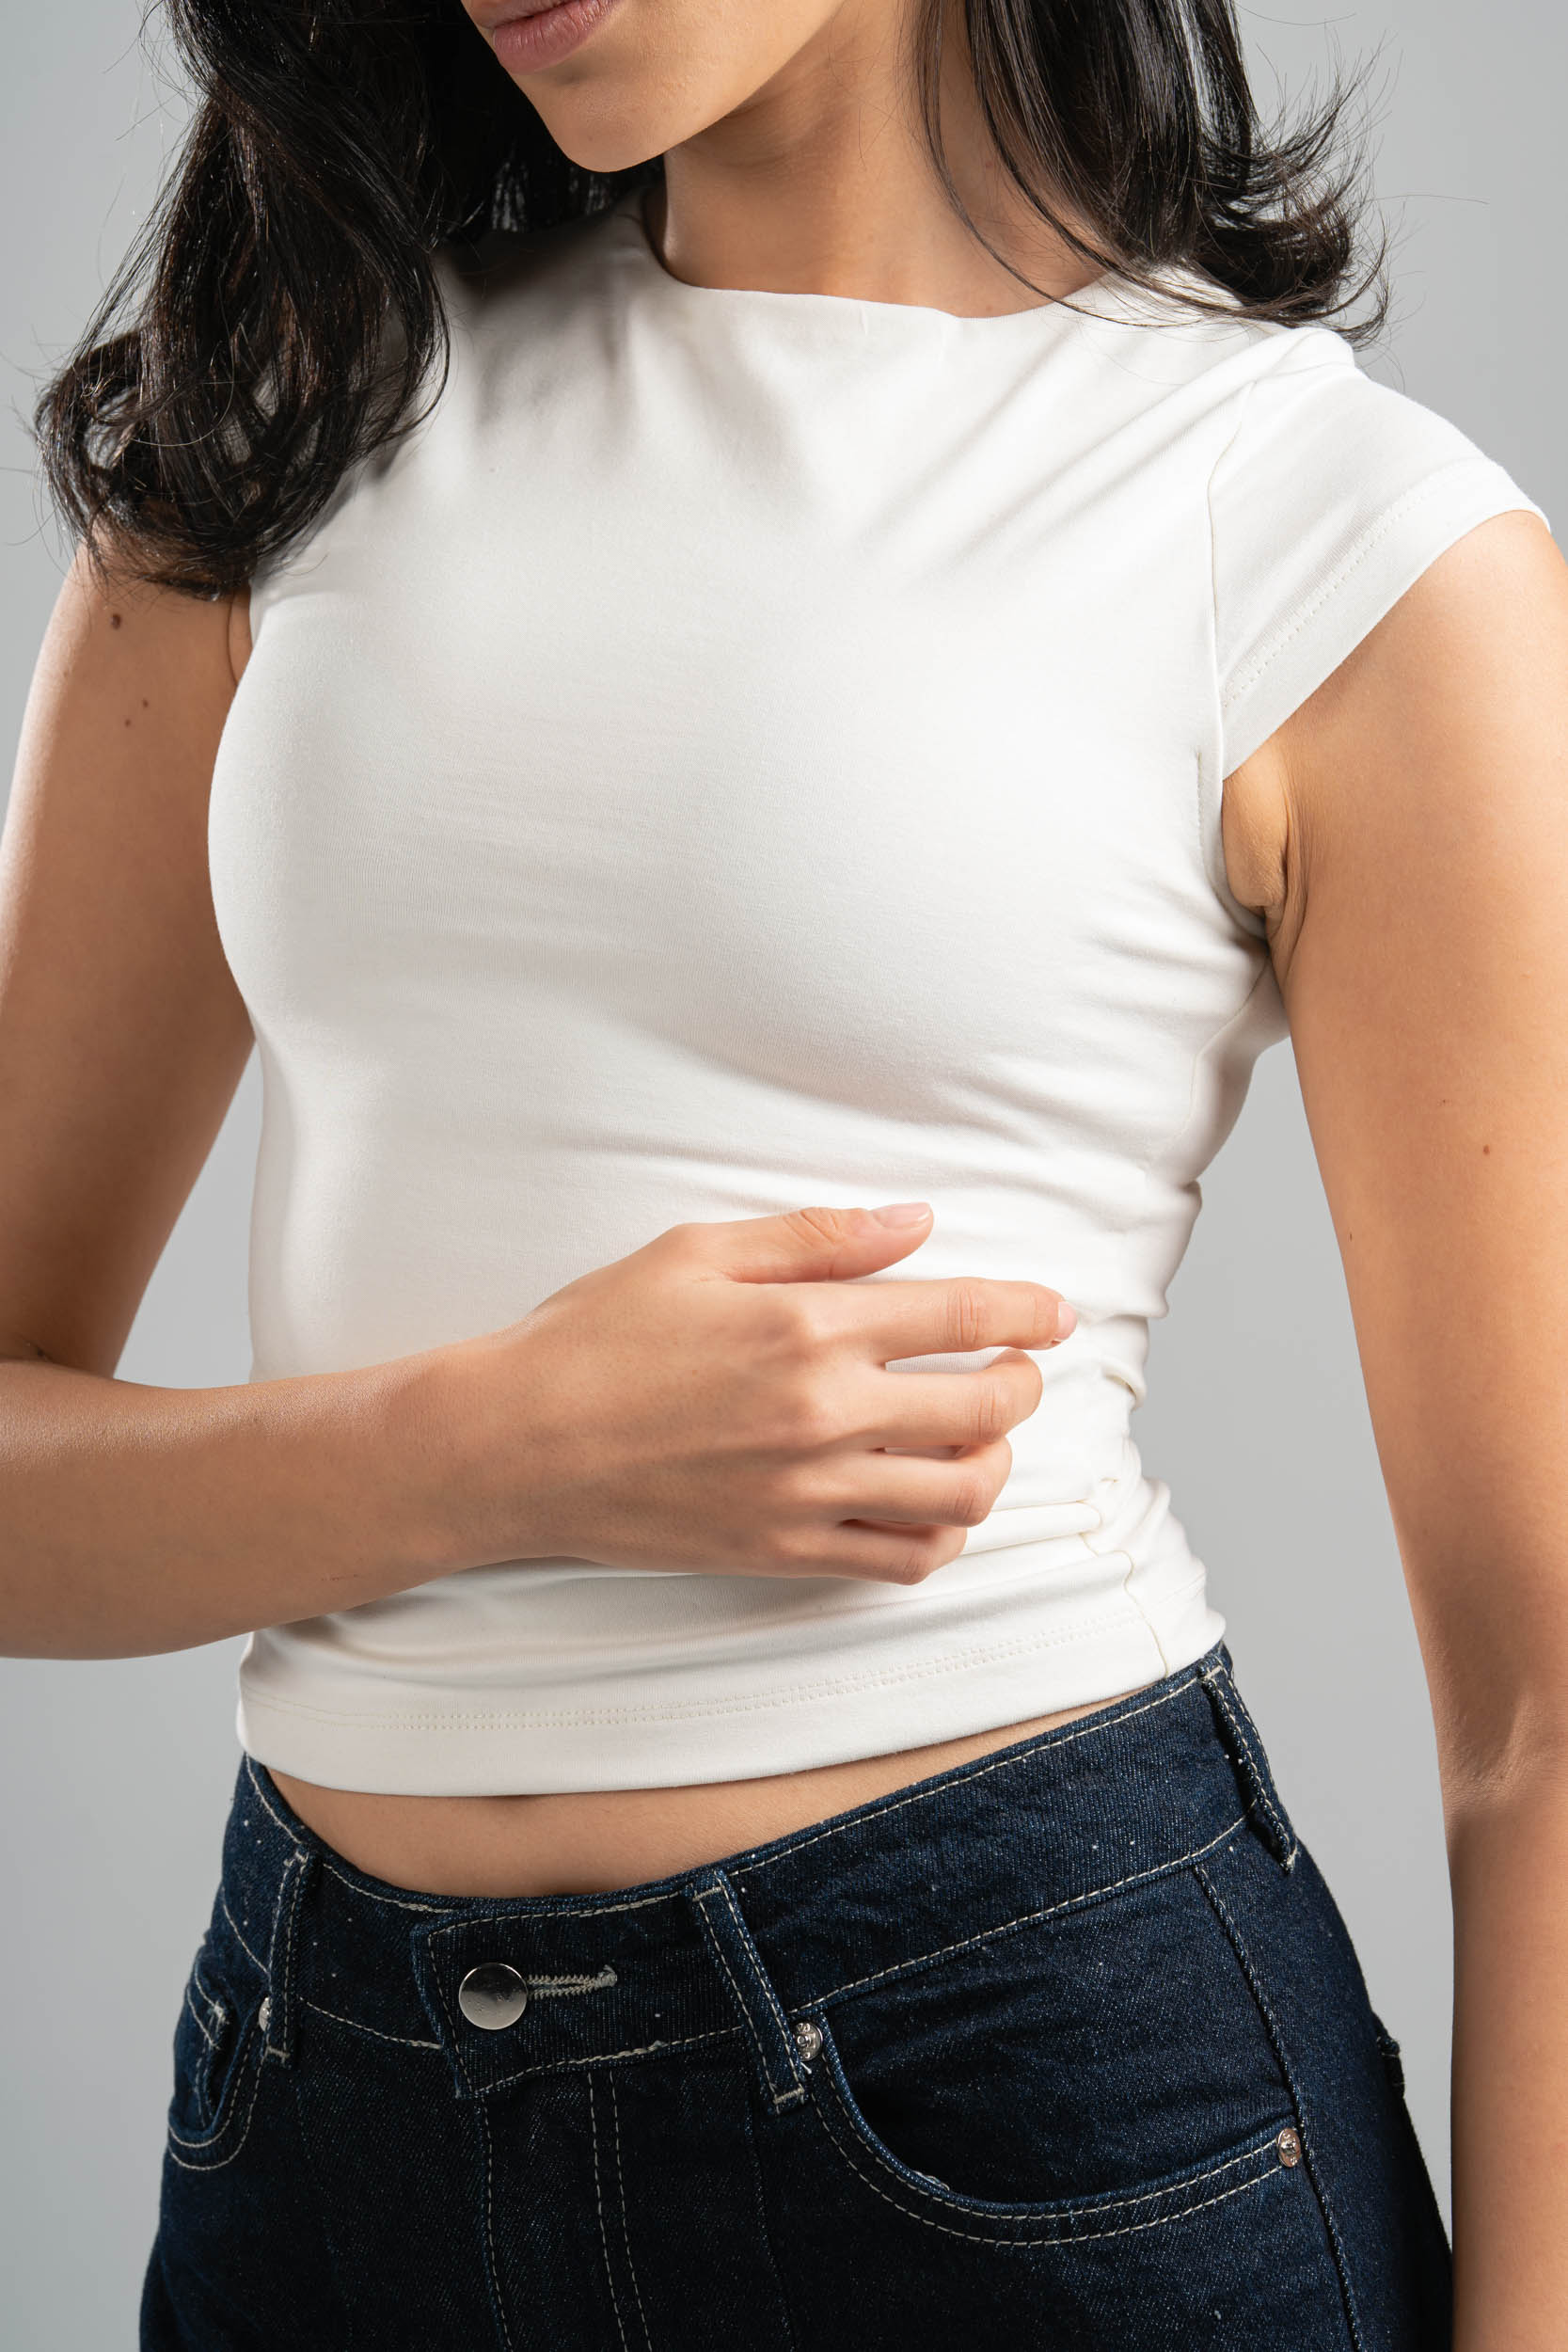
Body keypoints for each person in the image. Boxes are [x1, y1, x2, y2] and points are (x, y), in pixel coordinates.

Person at [4, 0, 1564, 2342]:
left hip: (1027, 2104)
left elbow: (1545, 1712)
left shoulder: (1320, 526)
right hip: (326, 2120)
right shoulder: (291, 423)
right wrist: (495, 1448)